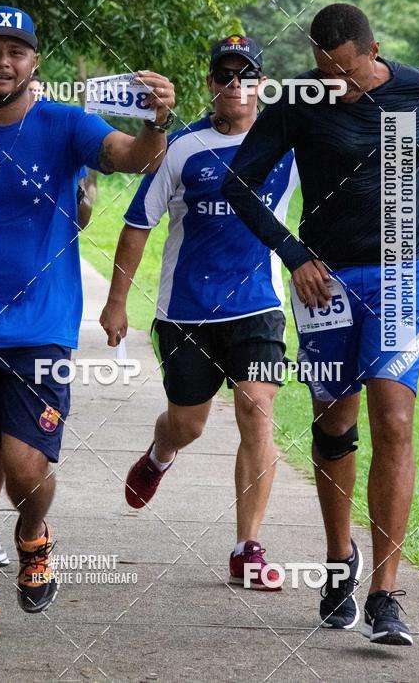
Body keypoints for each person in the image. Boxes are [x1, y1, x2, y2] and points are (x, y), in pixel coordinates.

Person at [0, 0, 175, 645]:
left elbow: (131, 155)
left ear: (33, 61)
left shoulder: (65, 124)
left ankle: (31, 533)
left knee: (25, 471)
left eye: (15, 51)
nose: (2, 61)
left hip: (41, 328)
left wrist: (159, 121)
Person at [222, 3, 419, 646]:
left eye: (343, 69)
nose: (331, 81)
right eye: (321, 68)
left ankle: (386, 594)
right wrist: (293, 256)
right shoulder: (297, 100)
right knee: (333, 423)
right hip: (326, 282)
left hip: (401, 273)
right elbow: (240, 183)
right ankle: (340, 558)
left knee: (394, 419)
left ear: (373, 50)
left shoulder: (417, 91)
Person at [101, 35, 299, 589]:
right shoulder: (181, 148)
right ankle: (160, 453)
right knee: (188, 424)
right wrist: (117, 303)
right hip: (186, 312)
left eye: (247, 75)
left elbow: (354, 161)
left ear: (262, 83)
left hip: (258, 307)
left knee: (257, 413)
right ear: (211, 84)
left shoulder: (285, 144)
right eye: (225, 75)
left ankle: (247, 547)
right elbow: (138, 225)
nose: (235, 85)